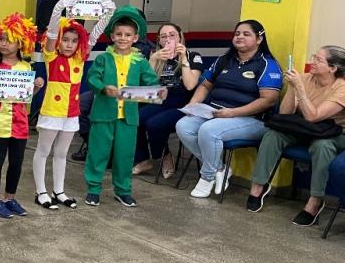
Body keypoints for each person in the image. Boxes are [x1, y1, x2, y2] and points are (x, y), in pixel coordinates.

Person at [176, 20, 282, 199]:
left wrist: (232, 113)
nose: (239, 37)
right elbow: (205, 85)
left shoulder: (267, 65)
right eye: (237, 33)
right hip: (216, 112)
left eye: (246, 34)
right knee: (183, 125)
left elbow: (268, 101)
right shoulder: (224, 60)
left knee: (209, 130)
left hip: (252, 119)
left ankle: (207, 177)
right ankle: (219, 168)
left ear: (259, 39)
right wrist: (192, 106)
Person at [246, 45, 345, 225]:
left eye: (318, 60)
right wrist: (293, 88)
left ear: (333, 68)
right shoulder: (306, 79)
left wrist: (299, 87)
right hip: (305, 128)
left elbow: (313, 116)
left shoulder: (342, 88)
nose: (312, 62)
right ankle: (258, 186)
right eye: (314, 56)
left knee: (321, 146)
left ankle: (315, 201)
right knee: (273, 134)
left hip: (333, 133)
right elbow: (285, 115)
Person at [33, 0, 112, 209]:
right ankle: (41, 191)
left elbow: (95, 34)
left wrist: (107, 13)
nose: (69, 44)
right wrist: (59, 7)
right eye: (65, 39)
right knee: (43, 151)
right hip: (52, 111)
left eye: (73, 41)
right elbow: (51, 31)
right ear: (59, 40)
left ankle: (58, 190)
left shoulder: (80, 58)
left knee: (61, 154)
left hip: (71, 113)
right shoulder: (51, 56)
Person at [83, 6, 164, 207]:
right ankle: (93, 189)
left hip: (128, 118)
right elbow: (92, 77)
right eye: (118, 34)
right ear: (112, 36)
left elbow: (150, 81)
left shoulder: (140, 61)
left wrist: (157, 90)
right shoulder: (103, 58)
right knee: (98, 153)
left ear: (135, 38)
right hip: (103, 115)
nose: (122, 38)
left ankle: (123, 190)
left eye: (128, 35)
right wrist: (103, 88)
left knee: (125, 156)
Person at [0, 13, 43, 218]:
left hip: (20, 121)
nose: (4, 44)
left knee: (16, 161)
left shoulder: (26, 67)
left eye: (9, 40)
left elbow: (26, 97)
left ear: (21, 43)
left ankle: (10, 198)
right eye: (2, 39)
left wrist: (37, 88)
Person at [131, 23, 204, 179]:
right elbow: (147, 88)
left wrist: (183, 57)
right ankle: (143, 159)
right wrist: (152, 60)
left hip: (183, 103)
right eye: (163, 37)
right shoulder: (157, 55)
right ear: (159, 40)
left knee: (154, 124)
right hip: (160, 99)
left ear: (180, 36)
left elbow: (190, 84)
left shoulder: (193, 56)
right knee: (133, 118)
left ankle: (165, 156)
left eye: (172, 35)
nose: (168, 39)